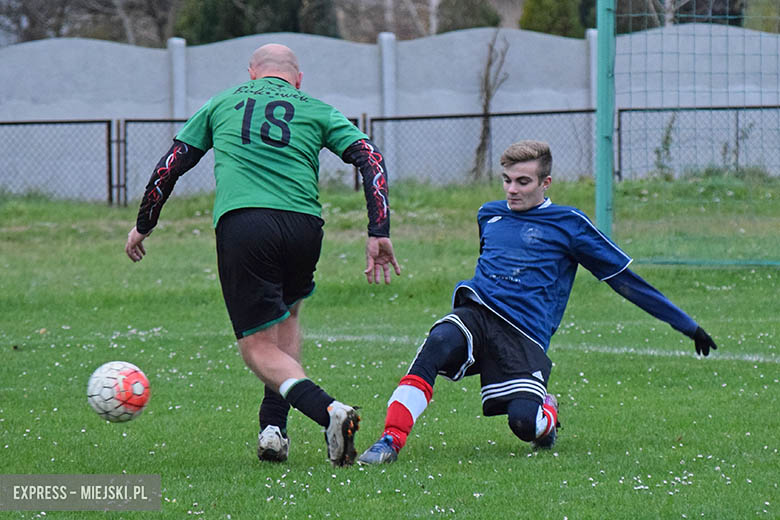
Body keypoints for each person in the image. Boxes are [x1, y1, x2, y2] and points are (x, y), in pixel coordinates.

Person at [124, 43, 401, 467]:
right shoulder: (316, 107)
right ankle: (274, 428)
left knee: (256, 347)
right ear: (298, 79)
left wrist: (145, 223)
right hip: (304, 227)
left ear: (253, 74)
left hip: (246, 224)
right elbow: (372, 160)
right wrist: (377, 229)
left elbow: (170, 166)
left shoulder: (224, 101)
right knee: (286, 317)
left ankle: (329, 412)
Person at [357, 140, 717, 465]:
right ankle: (391, 439)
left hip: (524, 336)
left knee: (524, 424)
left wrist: (686, 324)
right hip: (478, 313)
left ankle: (548, 411)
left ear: (545, 183)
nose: (512, 190)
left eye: (523, 182)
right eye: (506, 180)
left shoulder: (570, 224)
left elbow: (624, 281)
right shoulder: (489, 214)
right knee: (437, 343)